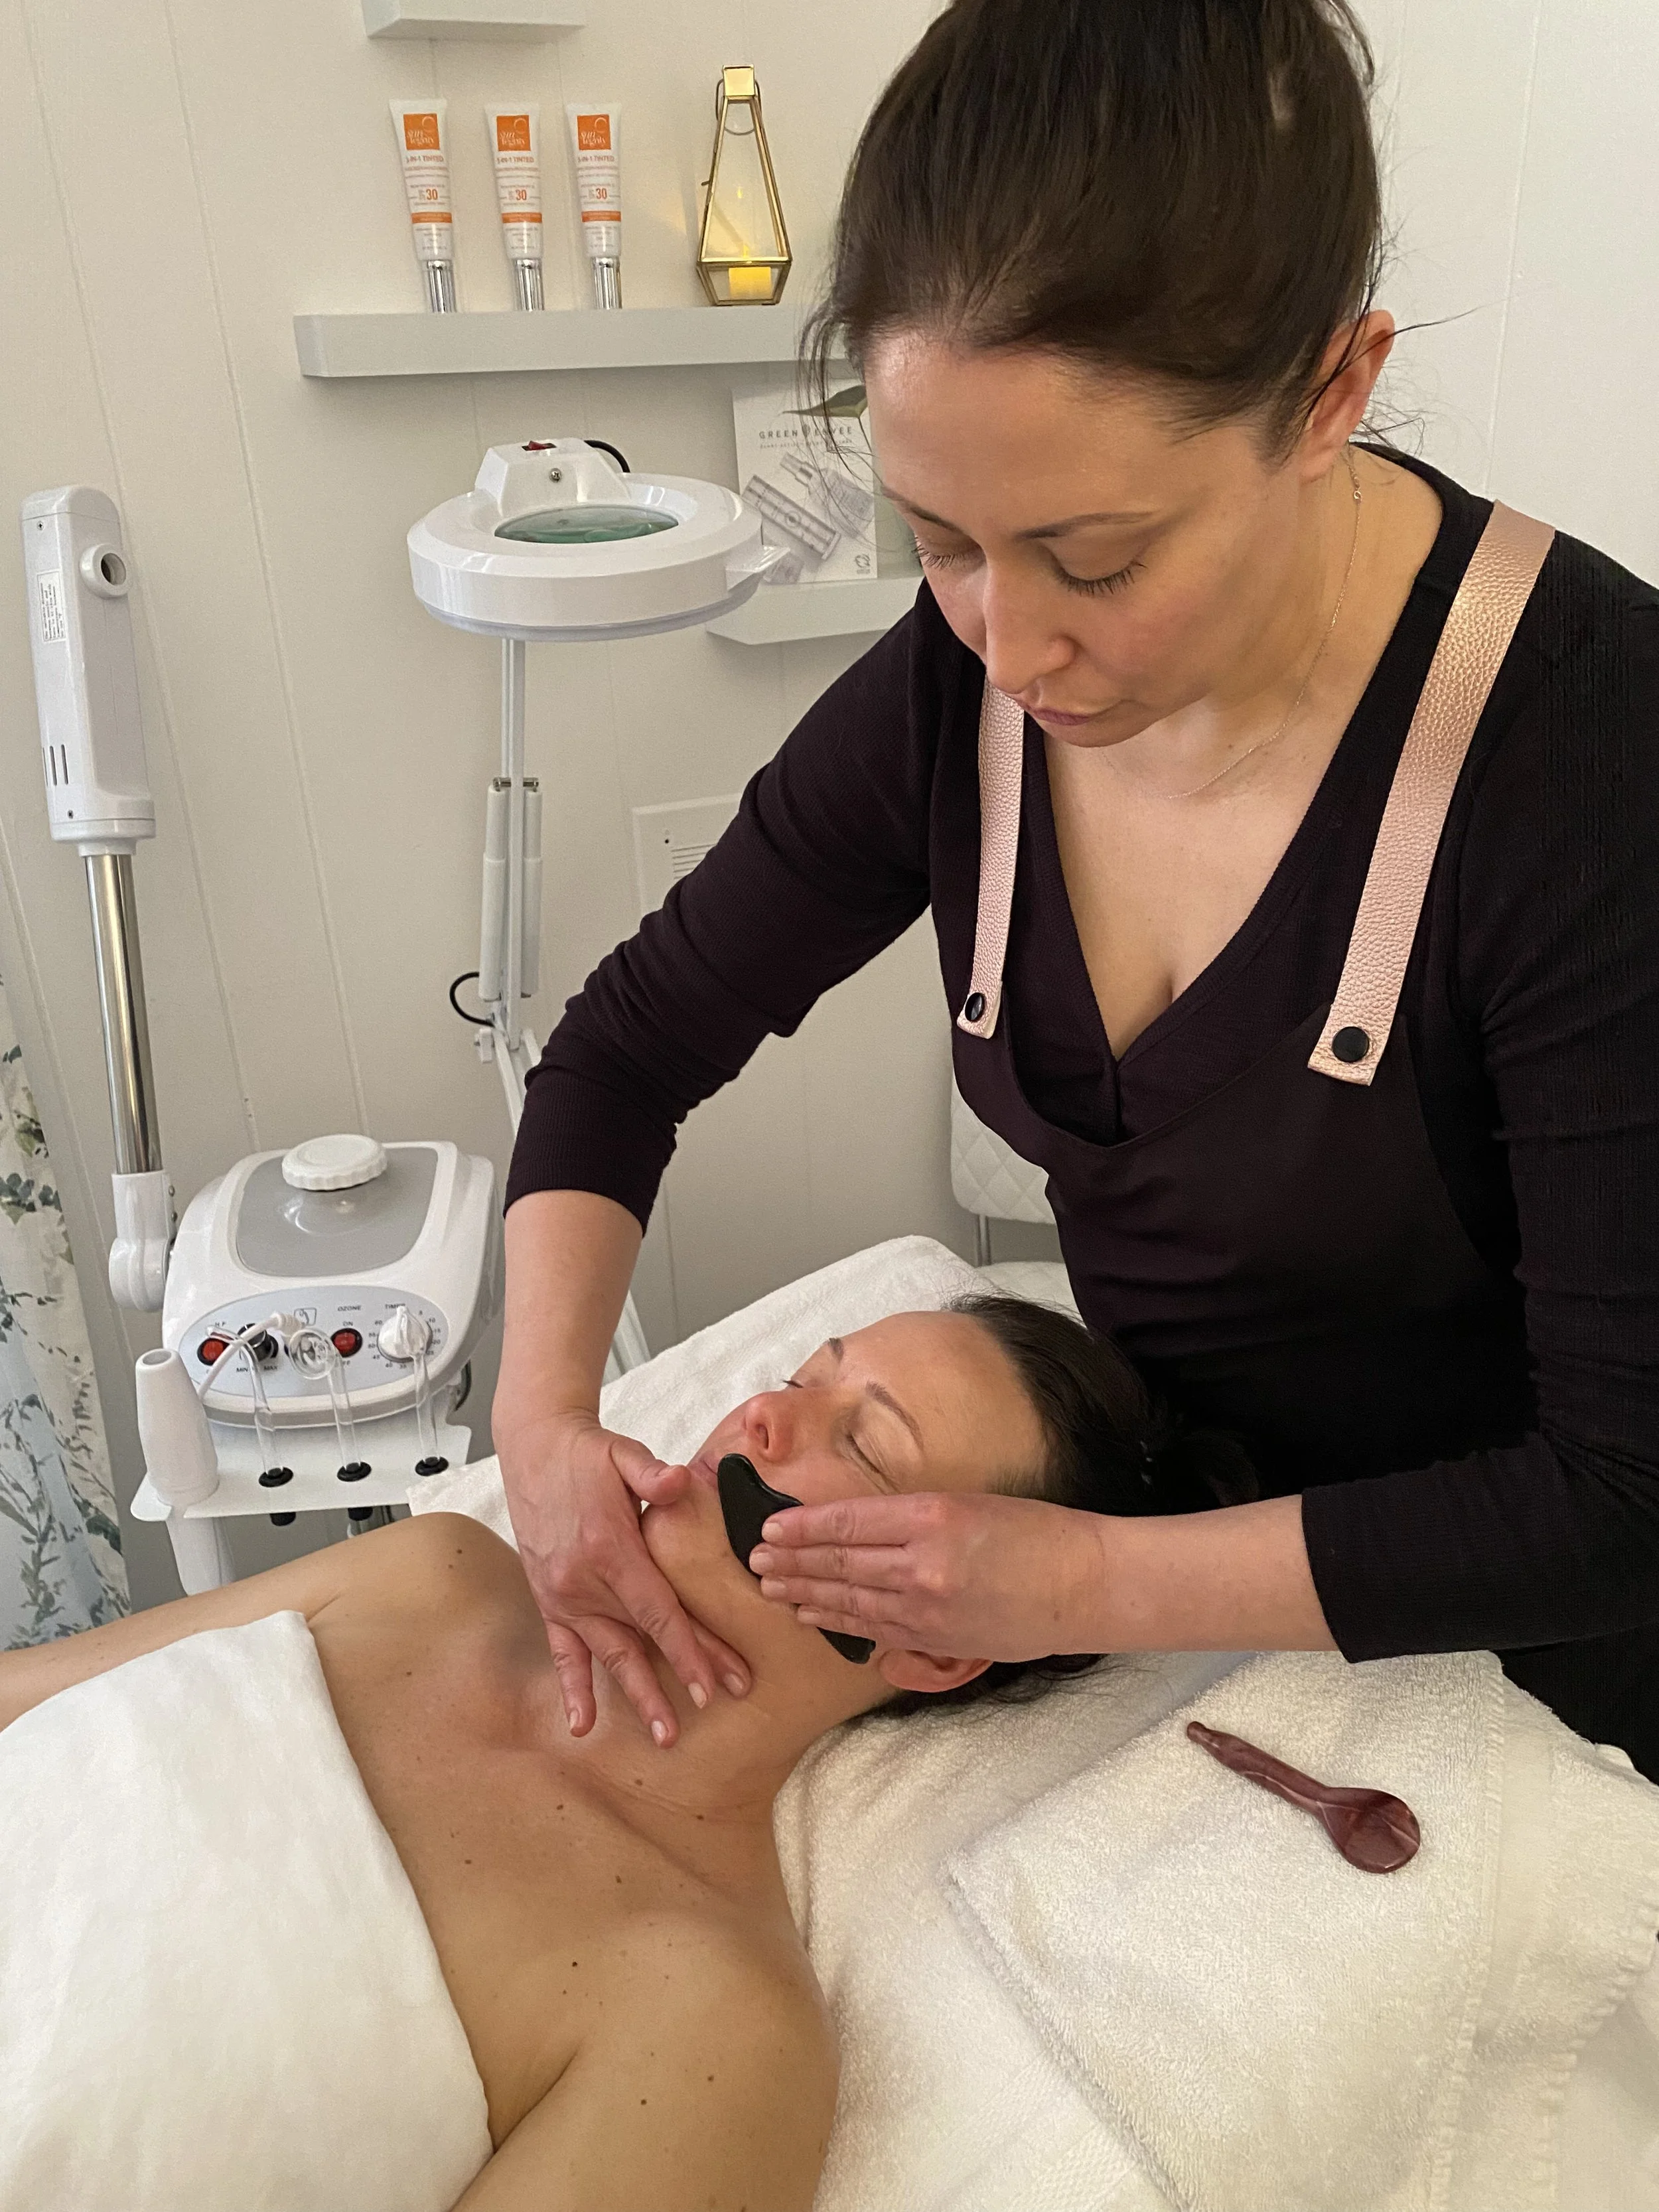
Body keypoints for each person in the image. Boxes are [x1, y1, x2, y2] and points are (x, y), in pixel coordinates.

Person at [492, 0, 1659, 1777]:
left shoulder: (1583, 755)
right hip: (1177, 1607)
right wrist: (540, 1406)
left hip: (1541, 1692)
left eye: (1094, 558)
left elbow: (1617, 1498)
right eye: (938, 541)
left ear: (1330, 391)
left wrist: (1089, 1581)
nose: (1012, 645)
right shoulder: (953, 692)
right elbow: (630, 1045)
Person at [1, 1298, 1242, 2212]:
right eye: (810, 1373)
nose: (765, 1411)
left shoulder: (709, 2028)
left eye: (864, 1446)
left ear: (934, 1647)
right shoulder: (430, 1572)